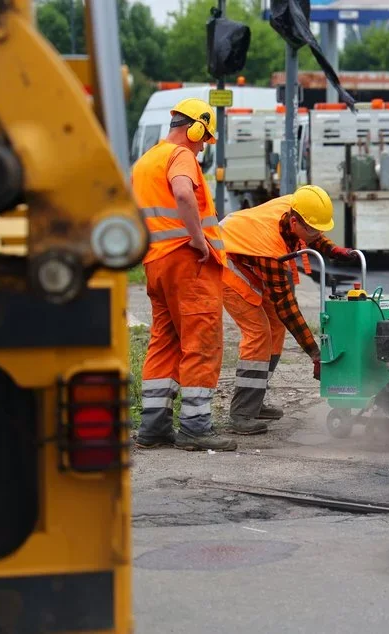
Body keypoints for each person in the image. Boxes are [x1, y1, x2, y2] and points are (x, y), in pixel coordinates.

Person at [131, 98, 238, 452]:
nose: (203, 145)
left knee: (165, 341)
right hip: (186, 261)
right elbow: (181, 192)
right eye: (204, 137)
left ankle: (154, 426)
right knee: (201, 339)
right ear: (194, 128)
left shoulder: (145, 160)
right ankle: (195, 426)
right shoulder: (181, 156)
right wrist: (199, 240)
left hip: (155, 262)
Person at [219, 185, 358, 433]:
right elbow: (287, 306)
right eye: (314, 230)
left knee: (276, 328)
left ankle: (255, 400)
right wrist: (315, 352)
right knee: (259, 332)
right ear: (294, 222)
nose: (317, 235)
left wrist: (333, 250)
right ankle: (242, 413)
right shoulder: (270, 248)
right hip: (226, 257)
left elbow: (313, 232)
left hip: (246, 251)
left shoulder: (298, 205)